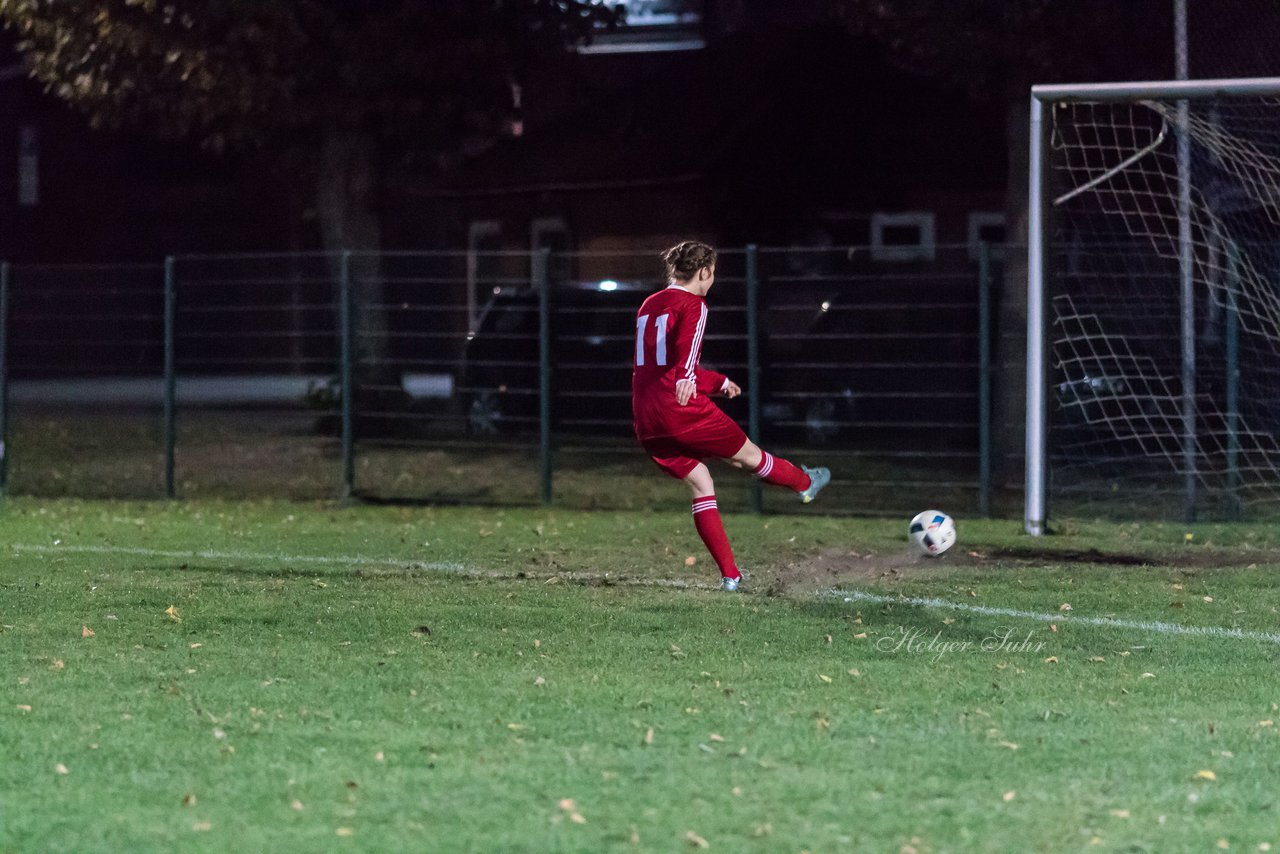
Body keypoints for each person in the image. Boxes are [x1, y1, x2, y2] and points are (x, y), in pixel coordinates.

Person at [632, 240, 831, 592]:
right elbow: (684, 358)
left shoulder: (650, 305)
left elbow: (659, 366)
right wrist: (689, 379)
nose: (712, 281)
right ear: (704, 271)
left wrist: (717, 382)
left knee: (702, 483)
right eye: (713, 274)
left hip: (647, 417)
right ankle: (804, 484)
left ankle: (731, 576)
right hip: (681, 410)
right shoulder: (695, 304)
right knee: (751, 457)